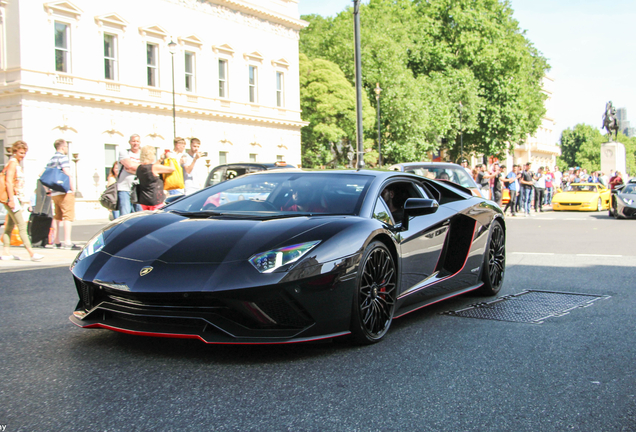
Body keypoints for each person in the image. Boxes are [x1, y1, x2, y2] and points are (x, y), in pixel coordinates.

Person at [1, 141, 44, 261]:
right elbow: (9, 182)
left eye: (24, 153)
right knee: (21, 225)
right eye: (20, 152)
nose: (23, 155)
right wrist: (11, 199)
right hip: (12, 198)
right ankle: (31, 252)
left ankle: (6, 252)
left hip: (15, 197)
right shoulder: (13, 163)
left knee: (9, 226)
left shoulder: (16, 163)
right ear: (14, 152)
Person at [46, 139, 80, 250]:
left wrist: (48, 190)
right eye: (65, 147)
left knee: (57, 216)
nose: (66, 149)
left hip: (54, 192)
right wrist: (72, 188)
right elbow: (67, 172)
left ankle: (56, 241)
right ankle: (67, 242)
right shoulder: (63, 158)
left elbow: (43, 174)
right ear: (62, 147)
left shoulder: (51, 159)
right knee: (67, 216)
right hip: (64, 191)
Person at [136, 146, 175, 211]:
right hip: (156, 200)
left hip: (143, 200)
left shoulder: (139, 167)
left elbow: (152, 167)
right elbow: (172, 169)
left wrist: (160, 160)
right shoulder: (154, 167)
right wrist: (169, 158)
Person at [117, 134, 142, 215]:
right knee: (125, 214)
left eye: (137, 141)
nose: (135, 143)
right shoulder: (124, 152)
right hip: (124, 188)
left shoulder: (142, 154)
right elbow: (129, 165)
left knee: (140, 214)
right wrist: (140, 167)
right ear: (130, 142)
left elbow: (147, 167)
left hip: (139, 188)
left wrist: (132, 169)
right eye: (133, 141)